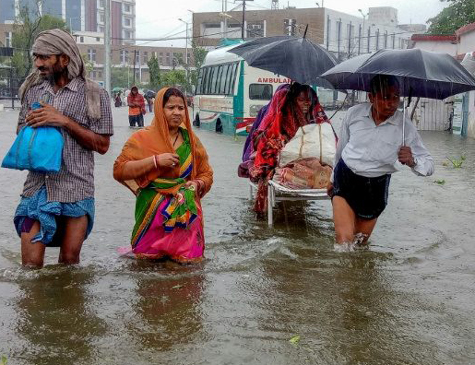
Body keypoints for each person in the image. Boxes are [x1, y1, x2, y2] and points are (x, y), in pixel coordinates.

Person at [13, 28, 114, 268]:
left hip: (76, 189)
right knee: (30, 268)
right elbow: (19, 133)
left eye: (44, 57)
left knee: (69, 264)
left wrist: (64, 121)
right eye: (35, 57)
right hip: (36, 188)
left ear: (64, 59)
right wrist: (34, 127)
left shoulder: (94, 94)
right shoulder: (33, 90)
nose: (38, 63)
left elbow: (102, 145)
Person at [328, 75, 434, 252]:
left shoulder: (404, 126)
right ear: (371, 97)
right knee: (345, 243)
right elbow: (341, 150)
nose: (391, 103)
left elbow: (429, 165)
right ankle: (342, 279)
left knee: (359, 244)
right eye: (385, 97)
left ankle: (359, 279)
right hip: (346, 179)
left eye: (395, 97)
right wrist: (332, 178)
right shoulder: (354, 114)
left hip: (375, 188)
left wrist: (412, 161)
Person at [113, 87, 213, 264]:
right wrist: (155, 161)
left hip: (185, 214)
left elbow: (206, 173)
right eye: (171, 108)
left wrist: (197, 184)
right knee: (147, 268)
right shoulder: (141, 139)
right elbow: (120, 170)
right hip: (152, 214)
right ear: (160, 109)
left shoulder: (191, 140)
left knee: (189, 271)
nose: (177, 112)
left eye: (181, 108)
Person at [249, 82, 331, 214]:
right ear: (293, 101)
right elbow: (267, 143)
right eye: (301, 100)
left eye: (309, 101)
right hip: (285, 159)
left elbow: (325, 143)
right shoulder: (281, 117)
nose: (306, 104)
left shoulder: (313, 119)